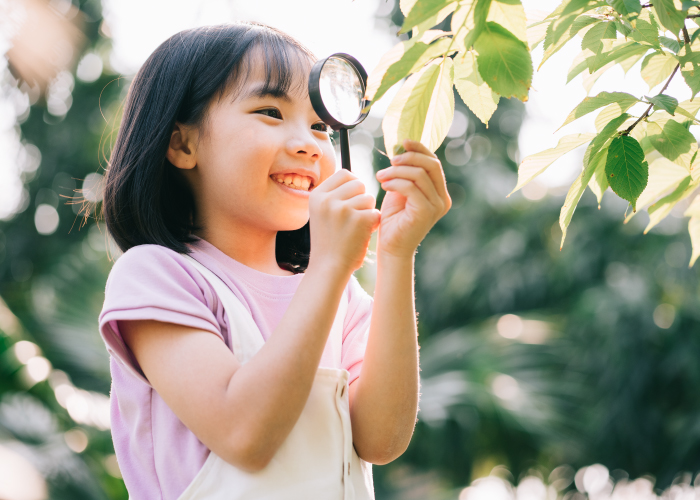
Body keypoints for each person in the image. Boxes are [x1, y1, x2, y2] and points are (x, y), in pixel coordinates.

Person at [98, 21, 452, 500]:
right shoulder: (156, 277)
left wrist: (396, 253)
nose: (307, 142)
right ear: (183, 144)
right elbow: (244, 434)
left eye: (320, 125)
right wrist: (328, 268)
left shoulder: (343, 295)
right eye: (269, 111)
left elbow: (380, 438)